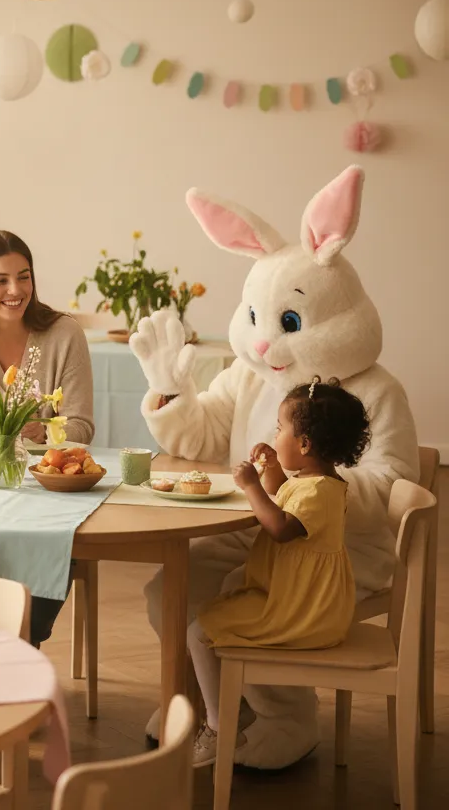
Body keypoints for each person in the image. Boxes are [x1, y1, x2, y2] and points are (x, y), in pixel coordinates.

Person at [131, 166, 418, 769]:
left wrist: (296, 489)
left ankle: (285, 717)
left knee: (239, 600)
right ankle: (206, 703)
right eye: (257, 322)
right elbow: (207, 430)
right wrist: (167, 391)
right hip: (254, 530)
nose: (263, 345)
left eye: (287, 324)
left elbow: (389, 483)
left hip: (334, 551)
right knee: (172, 590)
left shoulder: (376, 389)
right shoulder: (253, 373)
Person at [188, 379, 367, 766]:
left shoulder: (321, 492)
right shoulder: (313, 482)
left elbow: (282, 528)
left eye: (280, 429)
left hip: (302, 613)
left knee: (198, 633)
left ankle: (222, 727)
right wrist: (270, 470)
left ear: (304, 445)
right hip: (294, 600)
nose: (275, 434)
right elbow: (286, 494)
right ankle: (237, 708)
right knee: (225, 595)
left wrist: (252, 486)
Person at [0, 231, 95, 647]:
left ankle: (22, 644)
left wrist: (42, 430)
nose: (15, 290)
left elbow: (81, 425)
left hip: (50, 491)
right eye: (1, 280)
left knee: (25, 612)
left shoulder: (64, 334)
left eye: (23, 277)